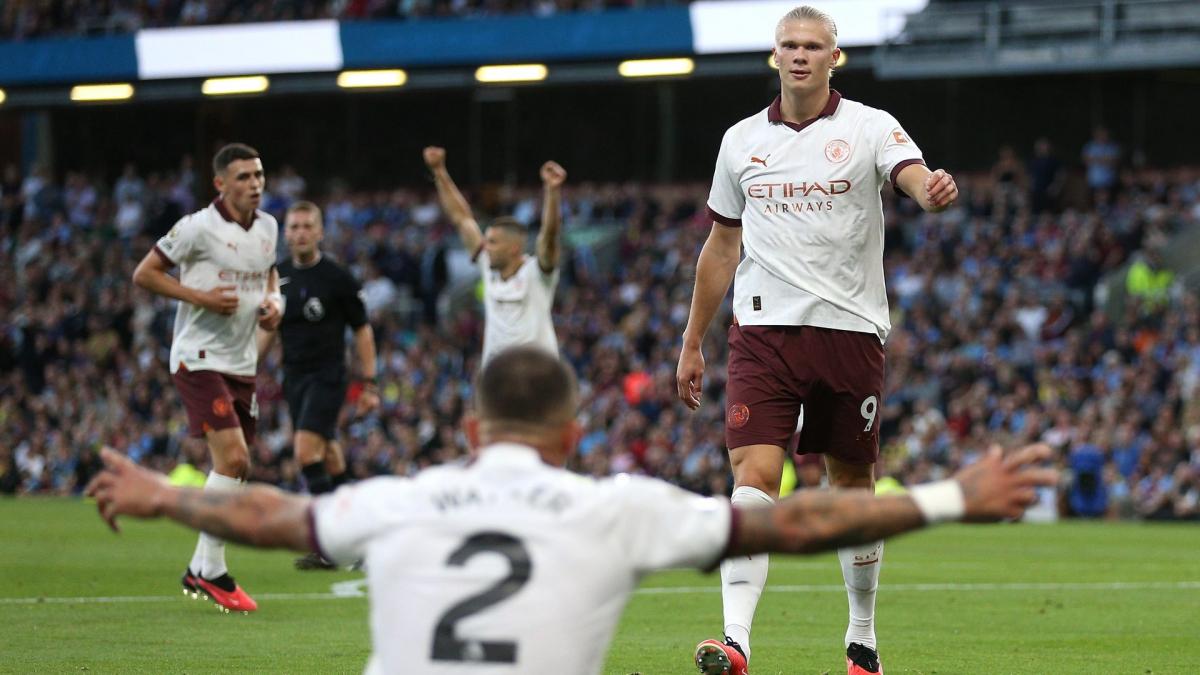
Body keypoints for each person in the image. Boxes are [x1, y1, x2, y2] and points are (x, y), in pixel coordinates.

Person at [87, 346, 1055, 674]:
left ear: (471, 427)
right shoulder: (614, 507)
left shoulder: (404, 499)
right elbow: (790, 522)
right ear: (571, 433)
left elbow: (273, 520)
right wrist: (945, 495)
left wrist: (163, 494)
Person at [674, 7, 960, 674]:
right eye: (788, 46)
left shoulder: (869, 125)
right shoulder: (740, 141)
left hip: (849, 329)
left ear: (836, 58)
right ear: (773, 57)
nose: (800, 55)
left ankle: (862, 637)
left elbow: (909, 173)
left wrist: (929, 190)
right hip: (762, 329)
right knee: (752, 474)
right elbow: (720, 247)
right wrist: (693, 340)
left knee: (851, 483)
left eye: (813, 46)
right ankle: (735, 639)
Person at [131, 142, 281, 613]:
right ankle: (213, 572)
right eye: (243, 177)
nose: (254, 184)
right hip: (198, 356)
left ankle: (200, 566)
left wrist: (275, 304)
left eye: (258, 176)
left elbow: (270, 276)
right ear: (220, 183)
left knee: (235, 467)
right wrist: (199, 297)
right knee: (234, 458)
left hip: (240, 361)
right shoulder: (197, 227)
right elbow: (145, 274)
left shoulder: (269, 228)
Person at [256, 200, 380, 570]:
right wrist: (247, 371)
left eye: (307, 226)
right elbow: (270, 330)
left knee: (305, 452)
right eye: (293, 227)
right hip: (294, 377)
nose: (300, 233)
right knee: (329, 455)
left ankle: (332, 544)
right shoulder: (277, 277)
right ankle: (360, 536)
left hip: (328, 376)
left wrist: (370, 383)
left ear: (320, 232)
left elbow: (362, 331)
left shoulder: (337, 278)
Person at [422, 146, 565, 363]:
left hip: (538, 384)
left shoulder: (537, 274)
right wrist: (439, 171)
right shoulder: (488, 269)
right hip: (498, 385)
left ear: (514, 248)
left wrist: (552, 192)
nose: (485, 247)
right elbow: (462, 219)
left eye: (493, 243)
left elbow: (549, 236)